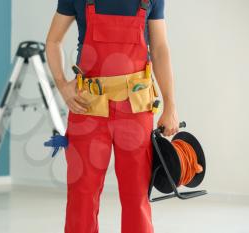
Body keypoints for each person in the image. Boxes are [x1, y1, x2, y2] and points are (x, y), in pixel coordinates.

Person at [46, 0, 179, 232]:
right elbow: (53, 41)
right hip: (87, 108)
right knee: (82, 193)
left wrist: (171, 105)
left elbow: (159, 49)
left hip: (136, 109)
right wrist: (62, 85)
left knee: (136, 194)